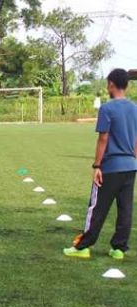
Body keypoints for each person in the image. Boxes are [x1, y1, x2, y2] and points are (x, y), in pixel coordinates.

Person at [64, 69, 137, 260]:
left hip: (110, 167)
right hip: (130, 167)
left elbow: (103, 139)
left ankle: (83, 246)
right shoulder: (135, 108)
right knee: (125, 209)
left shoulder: (107, 108)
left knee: (97, 208)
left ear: (111, 84)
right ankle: (119, 248)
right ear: (127, 85)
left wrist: (97, 166)